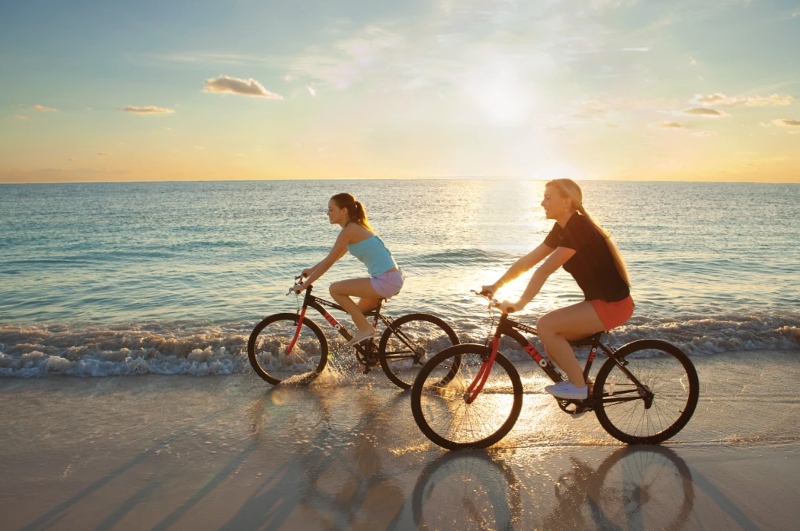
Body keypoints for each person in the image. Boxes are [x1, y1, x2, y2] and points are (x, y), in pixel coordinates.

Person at [482, 179, 634, 400]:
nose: (542, 203)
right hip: (600, 302)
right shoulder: (563, 228)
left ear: (567, 202)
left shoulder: (578, 228)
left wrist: (520, 303)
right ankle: (586, 392)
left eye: (548, 198)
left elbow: (544, 270)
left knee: (546, 325)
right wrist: (496, 285)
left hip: (613, 305)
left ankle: (579, 388)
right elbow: (528, 261)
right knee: (552, 343)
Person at [293, 193, 404, 345]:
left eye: (331, 209)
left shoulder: (349, 231)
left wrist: (305, 285)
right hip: (391, 278)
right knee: (357, 314)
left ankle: (366, 329)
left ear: (344, 210)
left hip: (386, 281)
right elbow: (335, 256)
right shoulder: (355, 228)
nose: (328, 213)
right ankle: (370, 356)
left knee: (335, 289)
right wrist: (311, 270)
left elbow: (329, 262)